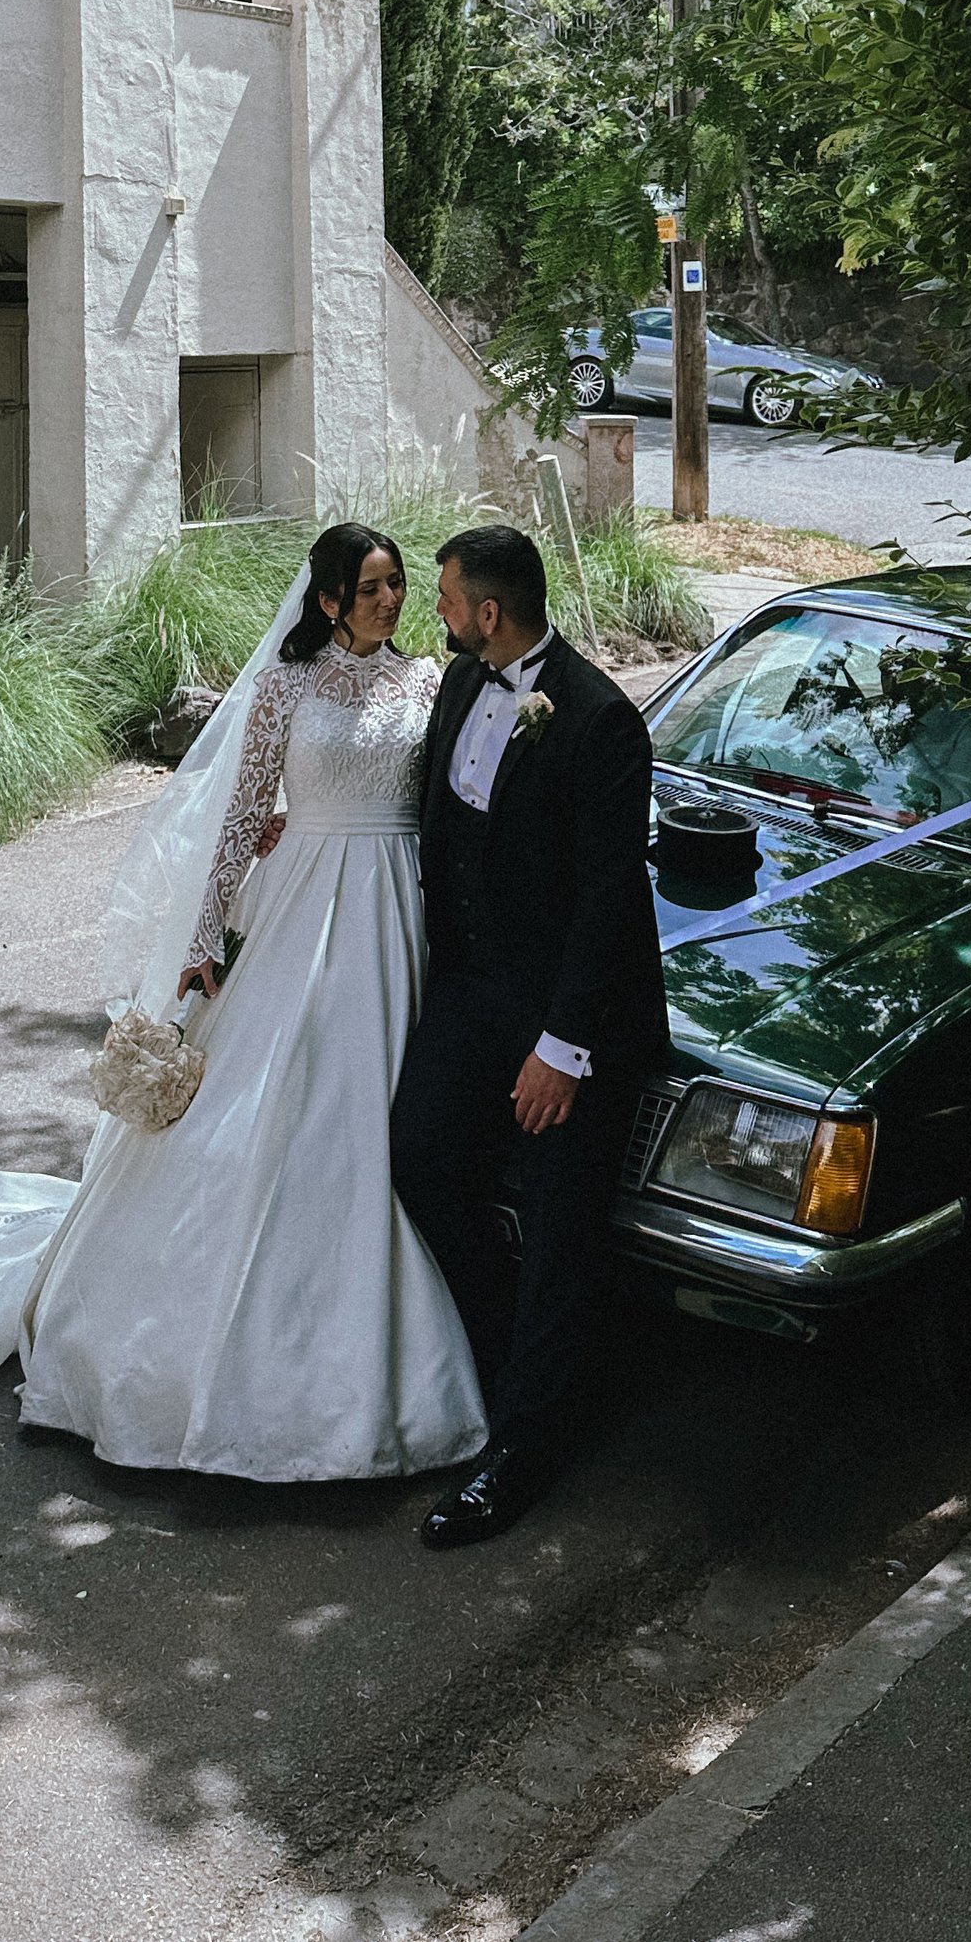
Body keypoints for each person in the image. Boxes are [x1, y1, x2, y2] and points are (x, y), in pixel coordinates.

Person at [0, 524, 489, 1485]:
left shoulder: (428, 684)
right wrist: (203, 936)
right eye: (369, 586)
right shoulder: (289, 684)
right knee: (281, 1107)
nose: (389, 600)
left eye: (396, 583)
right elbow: (242, 812)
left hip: (397, 909)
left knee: (380, 1109)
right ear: (327, 600)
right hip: (303, 907)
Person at [391, 522, 665, 1550]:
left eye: (446, 598)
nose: (436, 612)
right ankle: (513, 1358)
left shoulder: (599, 721)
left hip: (567, 1020)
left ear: (489, 612)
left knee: (559, 1226)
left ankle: (522, 1452)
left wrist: (563, 1049)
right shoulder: (462, 684)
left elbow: (608, 900)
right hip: (472, 992)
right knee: (418, 1156)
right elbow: (434, 822)